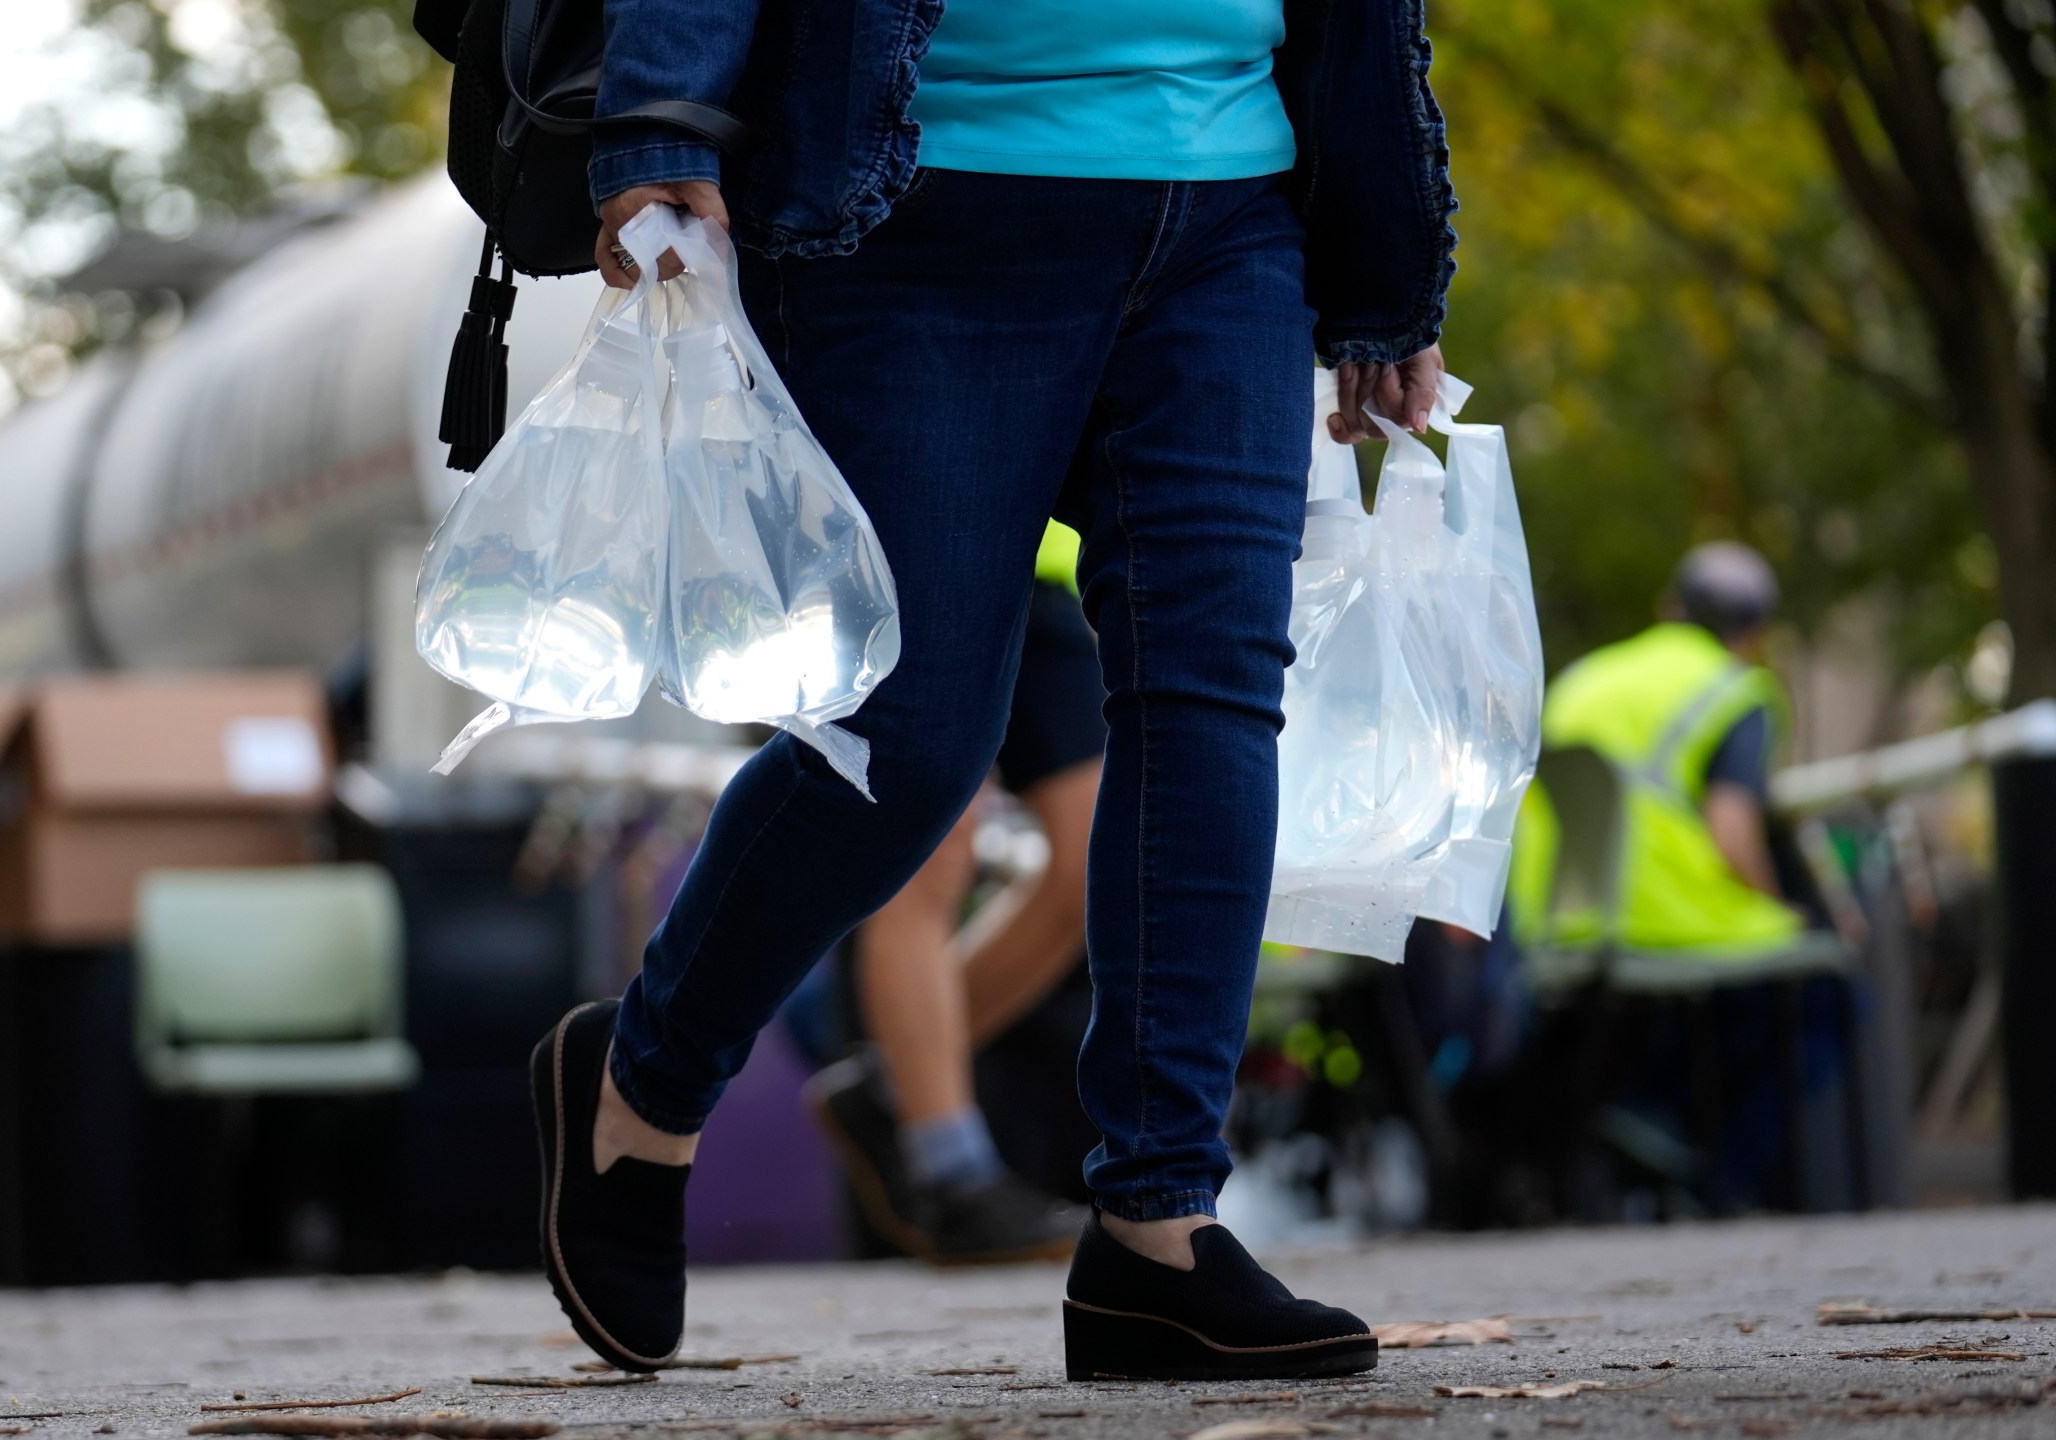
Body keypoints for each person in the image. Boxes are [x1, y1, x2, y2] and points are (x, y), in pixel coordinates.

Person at [528, 0, 1457, 1383]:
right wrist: (662, 113)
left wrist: (1387, 263)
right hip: (919, 198)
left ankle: (1158, 1225)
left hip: (1232, 210)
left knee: (1213, 695)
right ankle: (643, 1080)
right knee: (905, 740)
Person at [805, 523, 1105, 1264]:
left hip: (1028, 555)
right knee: (927, 850)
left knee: (1097, 855)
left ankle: (887, 1086)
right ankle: (954, 1178)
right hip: (893, 542)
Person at [1527, 542, 1809, 955]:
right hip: (1669, 925)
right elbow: (1732, 831)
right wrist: (1773, 902)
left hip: (1550, 924)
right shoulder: (1737, 691)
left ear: (1670, 607)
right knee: (1815, 952)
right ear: (1755, 635)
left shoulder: (1582, 678)